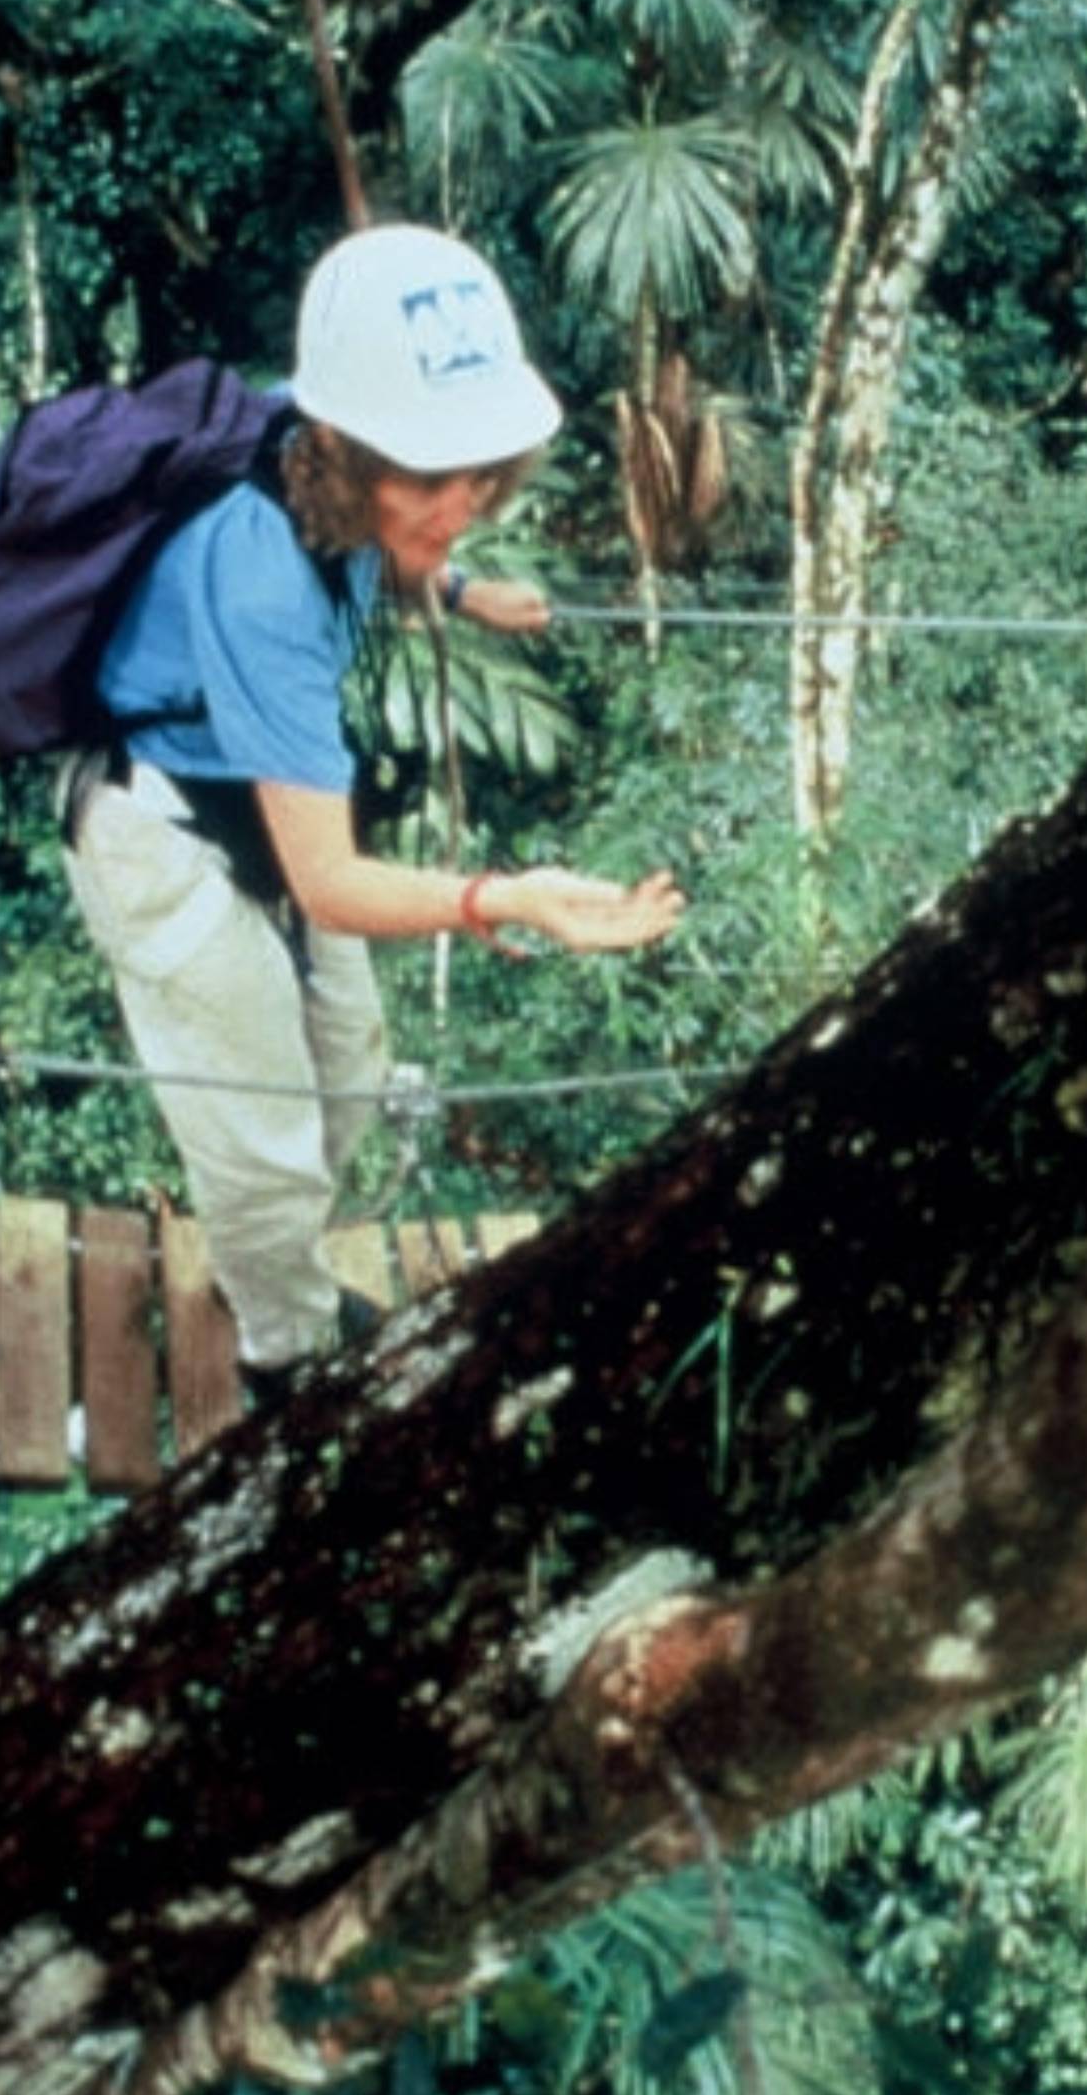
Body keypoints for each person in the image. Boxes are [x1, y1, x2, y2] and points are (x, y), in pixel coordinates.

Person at [63, 223, 687, 1405]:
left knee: (345, 1073)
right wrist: (507, 898)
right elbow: (333, 884)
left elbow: (373, 544)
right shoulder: (257, 577)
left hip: (255, 794)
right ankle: (285, 1360)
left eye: (481, 473)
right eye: (429, 477)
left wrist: (454, 586)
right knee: (262, 1131)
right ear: (344, 453)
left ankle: (274, 1264)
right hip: (160, 824)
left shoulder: (337, 453)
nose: (463, 502)